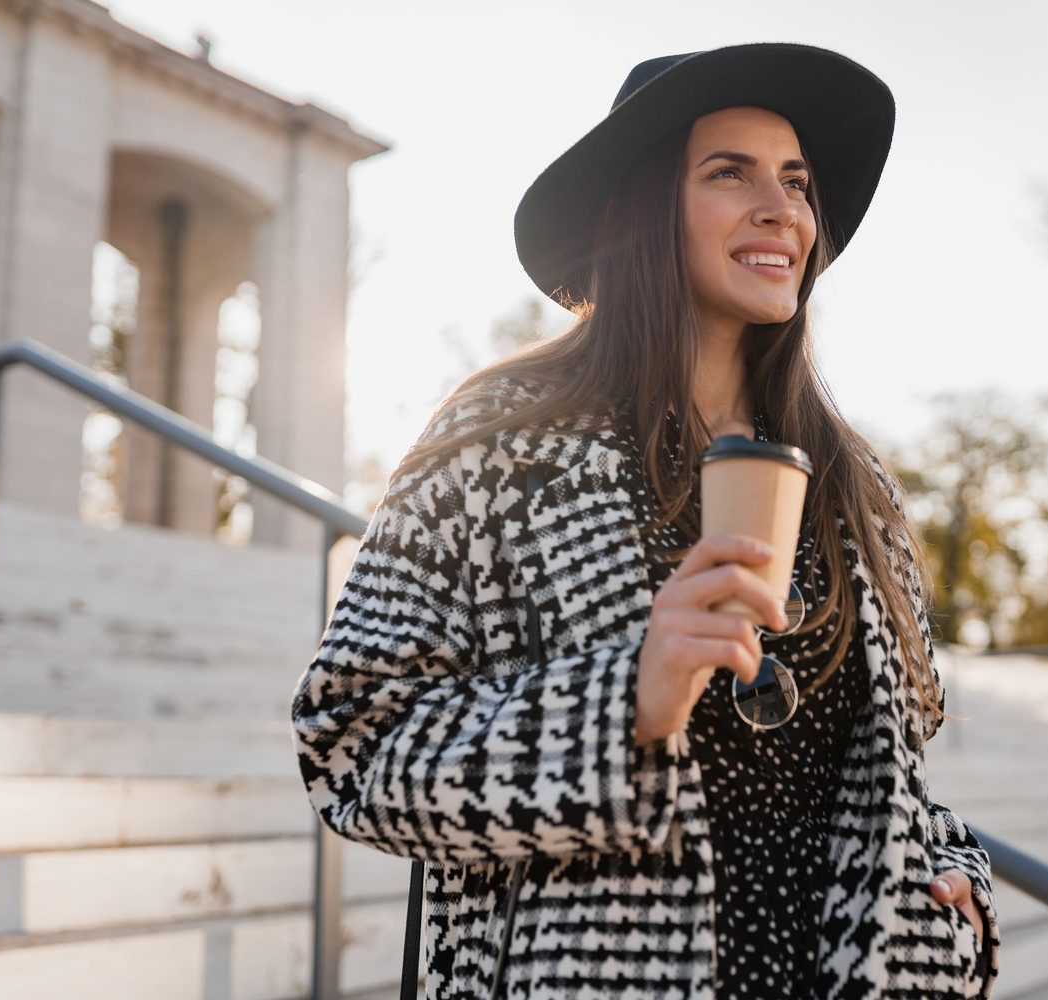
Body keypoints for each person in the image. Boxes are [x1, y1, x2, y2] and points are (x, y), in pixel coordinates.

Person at [291, 42, 999, 1000]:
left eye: (796, 181)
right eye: (728, 173)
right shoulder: (499, 440)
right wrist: (627, 698)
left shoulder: (854, 480)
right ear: (642, 207)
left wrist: (956, 882)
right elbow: (353, 743)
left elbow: (889, 774)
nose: (781, 208)